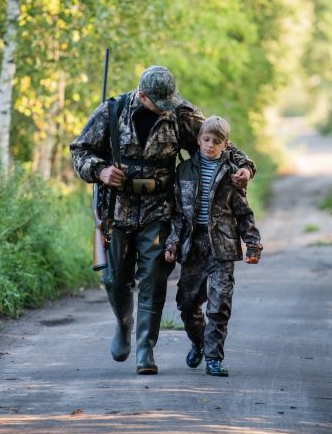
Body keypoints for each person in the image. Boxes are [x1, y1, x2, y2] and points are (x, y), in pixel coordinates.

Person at [70, 66, 255, 374]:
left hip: (160, 208)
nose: (168, 106)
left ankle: (146, 350)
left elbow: (223, 144)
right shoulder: (112, 111)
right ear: (143, 96)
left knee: (154, 278)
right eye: (160, 102)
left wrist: (245, 168)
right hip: (117, 209)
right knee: (115, 280)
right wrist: (100, 170)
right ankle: (123, 323)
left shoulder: (179, 113)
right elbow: (79, 151)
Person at [164, 115, 263, 377]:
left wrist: (253, 244)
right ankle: (198, 342)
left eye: (216, 142)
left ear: (226, 145)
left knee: (219, 305)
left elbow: (244, 213)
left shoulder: (232, 173)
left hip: (222, 247)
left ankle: (213, 358)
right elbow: (176, 213)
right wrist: (172, 242)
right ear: (198, 140)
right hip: (192, 247)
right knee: (187, 304)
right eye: (206, 140)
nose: (210, 145)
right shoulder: (184, 170)